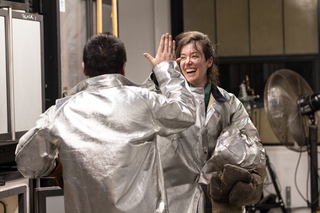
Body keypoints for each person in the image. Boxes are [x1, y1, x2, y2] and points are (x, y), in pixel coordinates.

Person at [15, 32, 197, 213]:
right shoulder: (144, 101)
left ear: (84, 68)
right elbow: (186, 112)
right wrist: (166, 69)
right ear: (123, 68)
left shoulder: (61, 111)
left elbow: (26, 162)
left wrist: (56, 166)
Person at [144, 31, 266, 213]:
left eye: (195, 56)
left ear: (209, 61)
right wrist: (157, 75)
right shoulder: (163, 98)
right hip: (173, 198)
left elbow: (253, 144)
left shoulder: (229, 103)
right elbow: (138, 107)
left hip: (219, 201)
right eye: (182, 57)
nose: (188, 62)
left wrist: (255, 179)